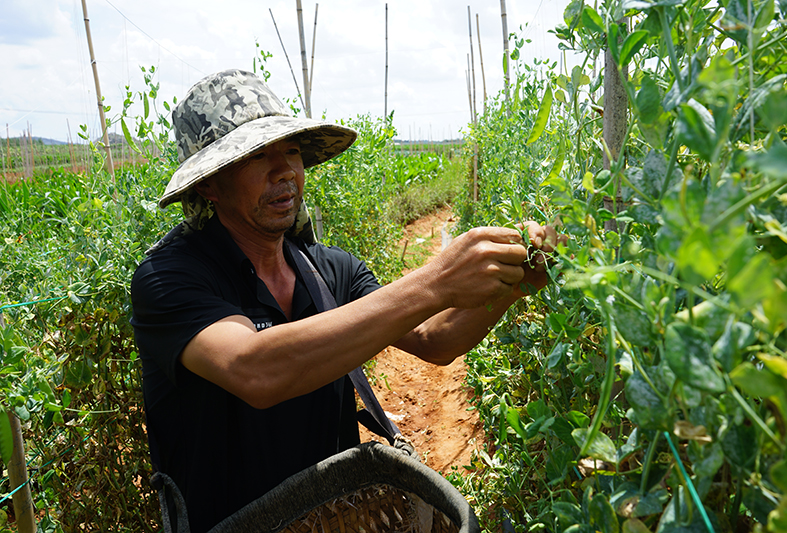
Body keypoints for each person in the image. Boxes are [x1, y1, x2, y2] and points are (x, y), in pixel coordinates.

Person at [130, 69, 563, 532]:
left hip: (335, 517)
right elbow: (255, 369)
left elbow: (435, 339)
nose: (285, 171)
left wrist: (514, 283)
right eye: (256, 156)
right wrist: (436, 279)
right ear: (208, 186)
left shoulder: (329, 269)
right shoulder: (169, 278)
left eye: (291, 150)